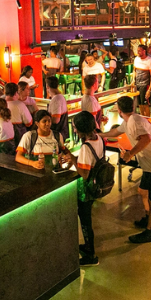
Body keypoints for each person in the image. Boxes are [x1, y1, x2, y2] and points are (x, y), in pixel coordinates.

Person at [100, 96, 151, 244]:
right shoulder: (129, 120)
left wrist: (130, 154)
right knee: (142, 191)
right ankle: (148, 217)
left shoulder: (135, 121)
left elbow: (146, 139)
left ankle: (150, 231)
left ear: (119, 110)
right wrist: (98, 135)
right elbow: (115, 133)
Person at [61, 111, 104, 266]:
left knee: (85, 221)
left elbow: (84, 174)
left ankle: (91, 255)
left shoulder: (86, 147)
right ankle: (87, 246)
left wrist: (72, 159)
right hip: (96, 184)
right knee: (87, 219)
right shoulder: (98, 139)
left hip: (86, 190)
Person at [133, 44, 151, 117]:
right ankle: (142, 119)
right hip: (137, 84)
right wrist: (133, 80)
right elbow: (134, 71)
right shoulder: (136, 59)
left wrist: (149, 90)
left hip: (145, 85)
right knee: (139, 104)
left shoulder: (150, 61)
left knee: (145, 104)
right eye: (137, 51)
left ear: (144, 51)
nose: (138, 52)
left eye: (139, 51)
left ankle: (148, 121)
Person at [47, 76, 69, 141]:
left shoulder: (56, 100)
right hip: (62, 133)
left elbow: (55, 120)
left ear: (47, 87)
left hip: (57, 135)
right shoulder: (61, 97)